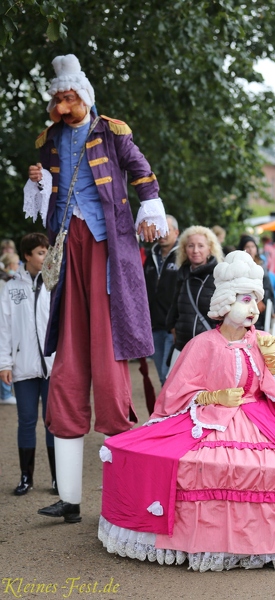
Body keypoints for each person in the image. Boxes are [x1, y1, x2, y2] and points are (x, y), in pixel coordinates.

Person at [98, 251, 275, 572]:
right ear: (225, 302)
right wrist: (213, 396)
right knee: (195, 462)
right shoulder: (202, 344)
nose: (254, 309)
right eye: (246, 299)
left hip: (261, 418)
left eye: (256, 301)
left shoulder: (264, 341)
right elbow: (177, 393)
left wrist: (274, 365)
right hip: (210, 421)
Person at [24, 54, 167, 523]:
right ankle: (69, 500)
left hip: (108, 244)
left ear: (82, 96)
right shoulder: (49, 140)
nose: (63, 107)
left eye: (68, 98)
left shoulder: (112, 130)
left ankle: (120, 497)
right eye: (58, 100)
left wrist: (151, 209)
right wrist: (38, 184)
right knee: (66, 368)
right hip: (68, 246)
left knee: (108, 366)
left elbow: (142, 172)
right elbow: (45, 194)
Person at [0, 233, 56, 495]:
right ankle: (26, 477)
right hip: (23, 366)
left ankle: (58, 478)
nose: (45, 257)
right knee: (26, 420)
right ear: (27, 256)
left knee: (52, 421)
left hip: (52, 365)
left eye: (47, 252)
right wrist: (4, 364)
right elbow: (4, 329)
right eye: (41, 252)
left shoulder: (54, 284)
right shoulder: (11, 287)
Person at [166, 226, 223, 368]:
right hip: (183, 347)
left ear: (210, 249)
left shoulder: (219, 276)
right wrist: (173, 327)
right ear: (185, 249)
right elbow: (175, 307)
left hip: (209, 349)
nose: (195, 250)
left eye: (201, 245)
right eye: (191, 245)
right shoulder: (182, 274)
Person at [144, 215, 179, 385]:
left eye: (167, 230)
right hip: (153, 326)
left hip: (173, 328)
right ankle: (169, 411)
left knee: (169, 375)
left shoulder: (184, 256)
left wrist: (178, 323)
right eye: (160, 229)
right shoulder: (150, 256)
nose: (163, 234)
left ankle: (174, 411)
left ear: (176, 232)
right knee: (162, 377)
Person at [237, 234, 275, 325]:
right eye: (247, 247)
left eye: (252, 246)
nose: (250, 249)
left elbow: (268, 288)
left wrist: (271, 308)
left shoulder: (262, 266)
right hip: (244, 308)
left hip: (262, 309)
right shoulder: (237, 267)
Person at [0, 252, 21, 405]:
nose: (18, 266)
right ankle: (6, 393)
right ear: (9, 266)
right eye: (15, 264)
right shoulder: (4, 284)